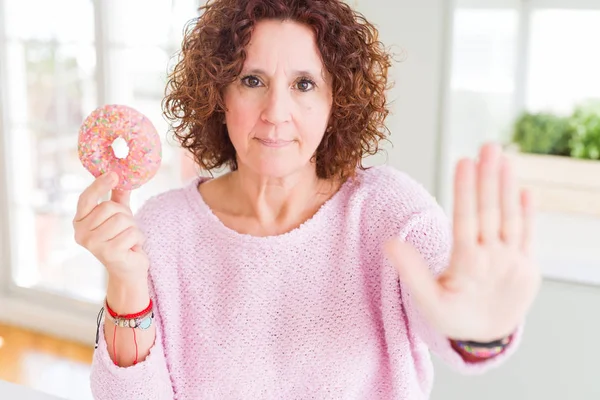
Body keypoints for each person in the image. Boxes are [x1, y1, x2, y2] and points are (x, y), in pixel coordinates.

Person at [74, 0, 541, 398]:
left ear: (337, 100)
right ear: (219, 94)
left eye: (304, 84)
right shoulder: (163, 227)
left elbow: (452, 315)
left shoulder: (390, 212)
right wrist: (128, 283)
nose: (276, 113)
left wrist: (481, 333)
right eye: (252, 81)